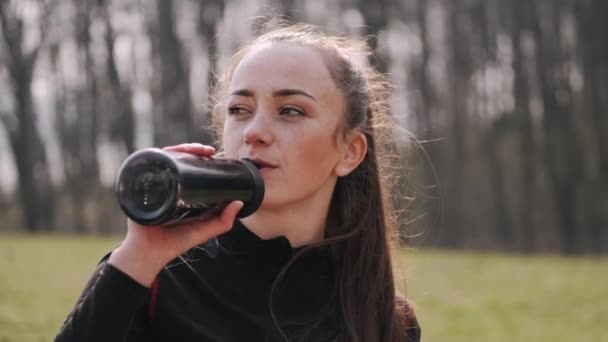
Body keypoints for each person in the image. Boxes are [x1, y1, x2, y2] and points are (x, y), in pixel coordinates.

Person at [55, 22, 421, 342]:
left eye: (291, 110)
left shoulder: (386, 320)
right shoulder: (154, 279)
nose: (255, 131)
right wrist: (136, 258)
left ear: (350, 152)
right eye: (239, 110)